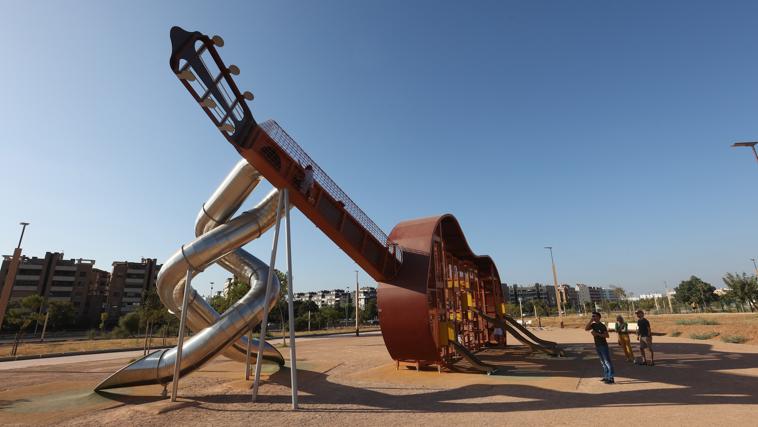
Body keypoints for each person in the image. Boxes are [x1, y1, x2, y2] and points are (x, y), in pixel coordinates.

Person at [585, 311, 615, 384]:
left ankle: (611, 377)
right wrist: (590, 321)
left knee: (607, 361)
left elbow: (607, 336)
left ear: (599, 317)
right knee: (602, 362)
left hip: (603, 345)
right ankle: (606, 376)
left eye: (594, 316)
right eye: (593, 316)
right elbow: (586, 328)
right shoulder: (593, 325)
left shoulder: (602, 326)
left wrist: (597, 334)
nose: (593, 317)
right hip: (597, 345)